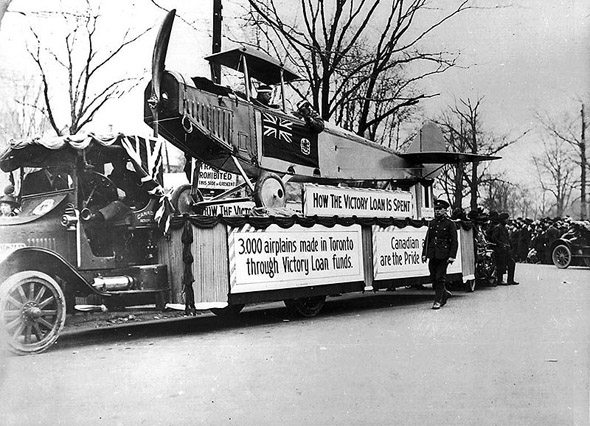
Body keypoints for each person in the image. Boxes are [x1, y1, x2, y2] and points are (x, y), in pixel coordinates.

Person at [422, 199, 458, 310]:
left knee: (440, 278)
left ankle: (437, 301)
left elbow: (454, 241)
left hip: (444, 255)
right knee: (433, 276)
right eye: (436, 209)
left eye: (440, 209)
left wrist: (452, 256)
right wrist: (424, 254)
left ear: (445, 210)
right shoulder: (432, 223)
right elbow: (428, 239)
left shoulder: (449, 223)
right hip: (433, 254)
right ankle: (445, 293)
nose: (437, 212)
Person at [489, 212, 519, 285]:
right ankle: (500, 280)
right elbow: (494, 238)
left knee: (511, 263)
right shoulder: (498, 228)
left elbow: (507, 239)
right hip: (500, 250)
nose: (507, 220)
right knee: (501, 265)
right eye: (506, 219)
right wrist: (501, 244)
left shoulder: (504, 228)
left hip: (506, 249)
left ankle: (510, 280)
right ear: (503, 219)